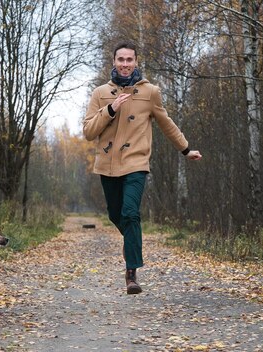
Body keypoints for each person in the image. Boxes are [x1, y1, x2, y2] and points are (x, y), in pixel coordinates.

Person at [83, 41, 202, 294]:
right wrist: (111, 109)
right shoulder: (100, 93)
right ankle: (132, 243)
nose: (125, 64)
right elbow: (88, 132)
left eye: (129, 60)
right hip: (107, 165)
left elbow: (166, 123)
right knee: (116, 215)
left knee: (130, 213)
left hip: (136, 163)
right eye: (121, 59)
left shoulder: (150, 92)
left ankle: (131, 273)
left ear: (136, 62)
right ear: (113, 62)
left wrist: (185, 149)